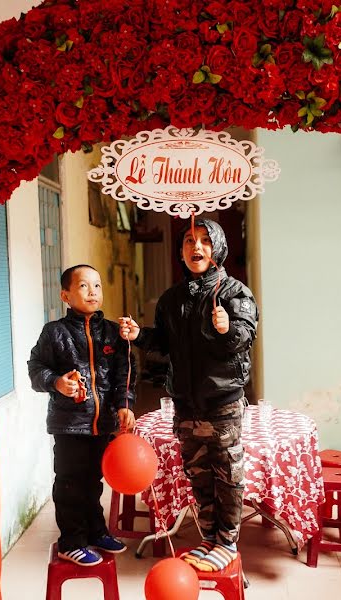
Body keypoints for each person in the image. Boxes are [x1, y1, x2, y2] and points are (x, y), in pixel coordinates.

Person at [119, 218, 259, 572]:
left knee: (227, 472)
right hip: (184, 403)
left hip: (222, 402)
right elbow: (163, 345)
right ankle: (209, 537)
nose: (196, 248)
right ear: (181, 252)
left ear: (218, 248)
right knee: (198, 473)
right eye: (188, 241)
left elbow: (243, 338)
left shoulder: (235, 292)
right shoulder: (171, 299)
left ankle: (227, 542)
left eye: (204, 241)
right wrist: (139, 335)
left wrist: (227, 328)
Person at [28, 264, 136, 566]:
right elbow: (36, 369)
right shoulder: (55, 333)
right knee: (70, 483)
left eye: (97, 286)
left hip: (102, 424)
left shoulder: (114, 333)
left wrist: (124, 404)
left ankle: (96, 531)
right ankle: (71, 541)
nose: (93, 292)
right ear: (65, 295)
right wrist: (57, 382)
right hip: (69, 425)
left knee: (93, 482)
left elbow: (124, 373)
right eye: (84, 286)